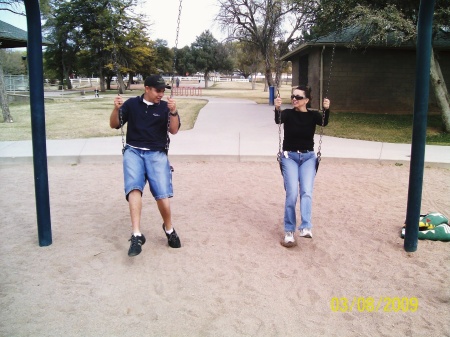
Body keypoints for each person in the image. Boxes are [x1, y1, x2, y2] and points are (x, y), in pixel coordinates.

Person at [110, 75, 182, 256]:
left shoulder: (166, 107)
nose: (161, 94)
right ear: (147, 88)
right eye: (158, 90)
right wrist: (115, 109)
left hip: (156, 152)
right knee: (134, 188)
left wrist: (173, 112)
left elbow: (174, 130)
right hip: (133, 151)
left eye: (163, 91)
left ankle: (169, 228)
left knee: (162, 196)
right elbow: (114, 125)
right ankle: (136, 234)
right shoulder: (132, 105)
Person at [274, 85, 331, 248]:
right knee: (292, 193)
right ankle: (289, 231)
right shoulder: (287, 114)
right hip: (289, 157)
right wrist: (277, 107)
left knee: (306, 191)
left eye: (298, 97)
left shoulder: (313, 116)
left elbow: (324, 122)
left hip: (308, 158)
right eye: (293, 96)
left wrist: (327, 109)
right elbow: (278, 119)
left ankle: (306, 227)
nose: (294, 99)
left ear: (306, 100)